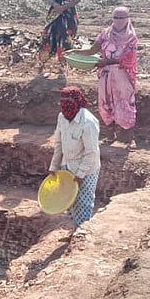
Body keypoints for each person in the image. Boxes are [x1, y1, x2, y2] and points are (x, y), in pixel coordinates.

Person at [74, 6, 138, 147]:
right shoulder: (105, 34)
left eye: (121, 18)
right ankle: (110, 136)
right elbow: (93, 50)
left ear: (127, 19)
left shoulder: (131, 37)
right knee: (105, 103)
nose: (118, 20)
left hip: (122, 75)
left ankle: (129, 139)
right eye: (115, 17)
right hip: (106, 75)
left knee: (125, 103)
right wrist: (76, 52)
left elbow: (128, 58)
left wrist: (106, 62)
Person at [47, 86, 100, 230]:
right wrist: (54, 166)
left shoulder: (88, 122)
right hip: (67, 166)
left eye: (68, 101)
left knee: (83, 203)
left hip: (86, 170)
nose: (65, 104)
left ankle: (81, 234)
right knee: (69, 202)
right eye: (62, 101)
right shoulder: (62, 117)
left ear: (77, 101)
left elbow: (91, 152)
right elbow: (58, 143)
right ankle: (74, 231)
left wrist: (80, 174)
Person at [38, 0, 84, 76]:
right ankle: (42, 64)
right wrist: (55, 5)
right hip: (54, 12)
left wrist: (64, 7)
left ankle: (64, 67)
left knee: (65, 38)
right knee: (47, 35)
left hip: (68, 14)